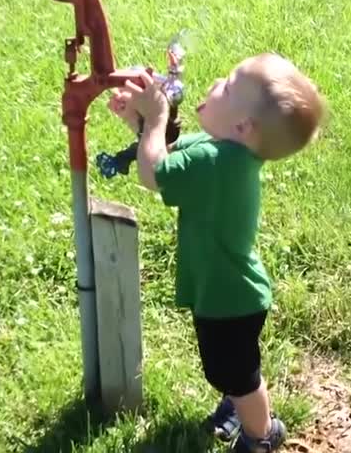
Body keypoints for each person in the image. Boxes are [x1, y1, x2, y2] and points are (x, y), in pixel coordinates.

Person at [107, 52, 325, 452]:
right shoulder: (220, 151)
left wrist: (155, 120)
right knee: (227, 368)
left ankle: (262, 435)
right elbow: (167, 153)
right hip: (226, 292)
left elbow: (153, 173)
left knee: (240, 375)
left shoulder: (218, 161)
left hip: (231, 300)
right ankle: (236, 406)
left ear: (243, 126)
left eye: (226, 84)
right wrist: (141, 119)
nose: (214, 84)